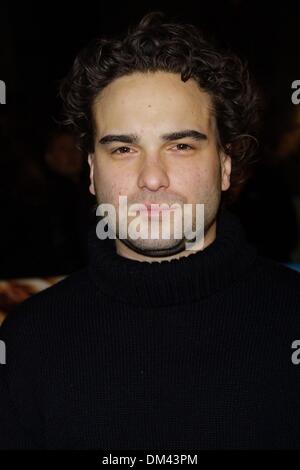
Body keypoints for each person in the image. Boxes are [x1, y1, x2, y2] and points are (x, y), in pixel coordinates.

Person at [0, 11, 300, 450]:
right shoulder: (25, 343)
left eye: (180, 146)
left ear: (224, 165)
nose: (153, 177)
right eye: (123, 148)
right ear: (91, 172)